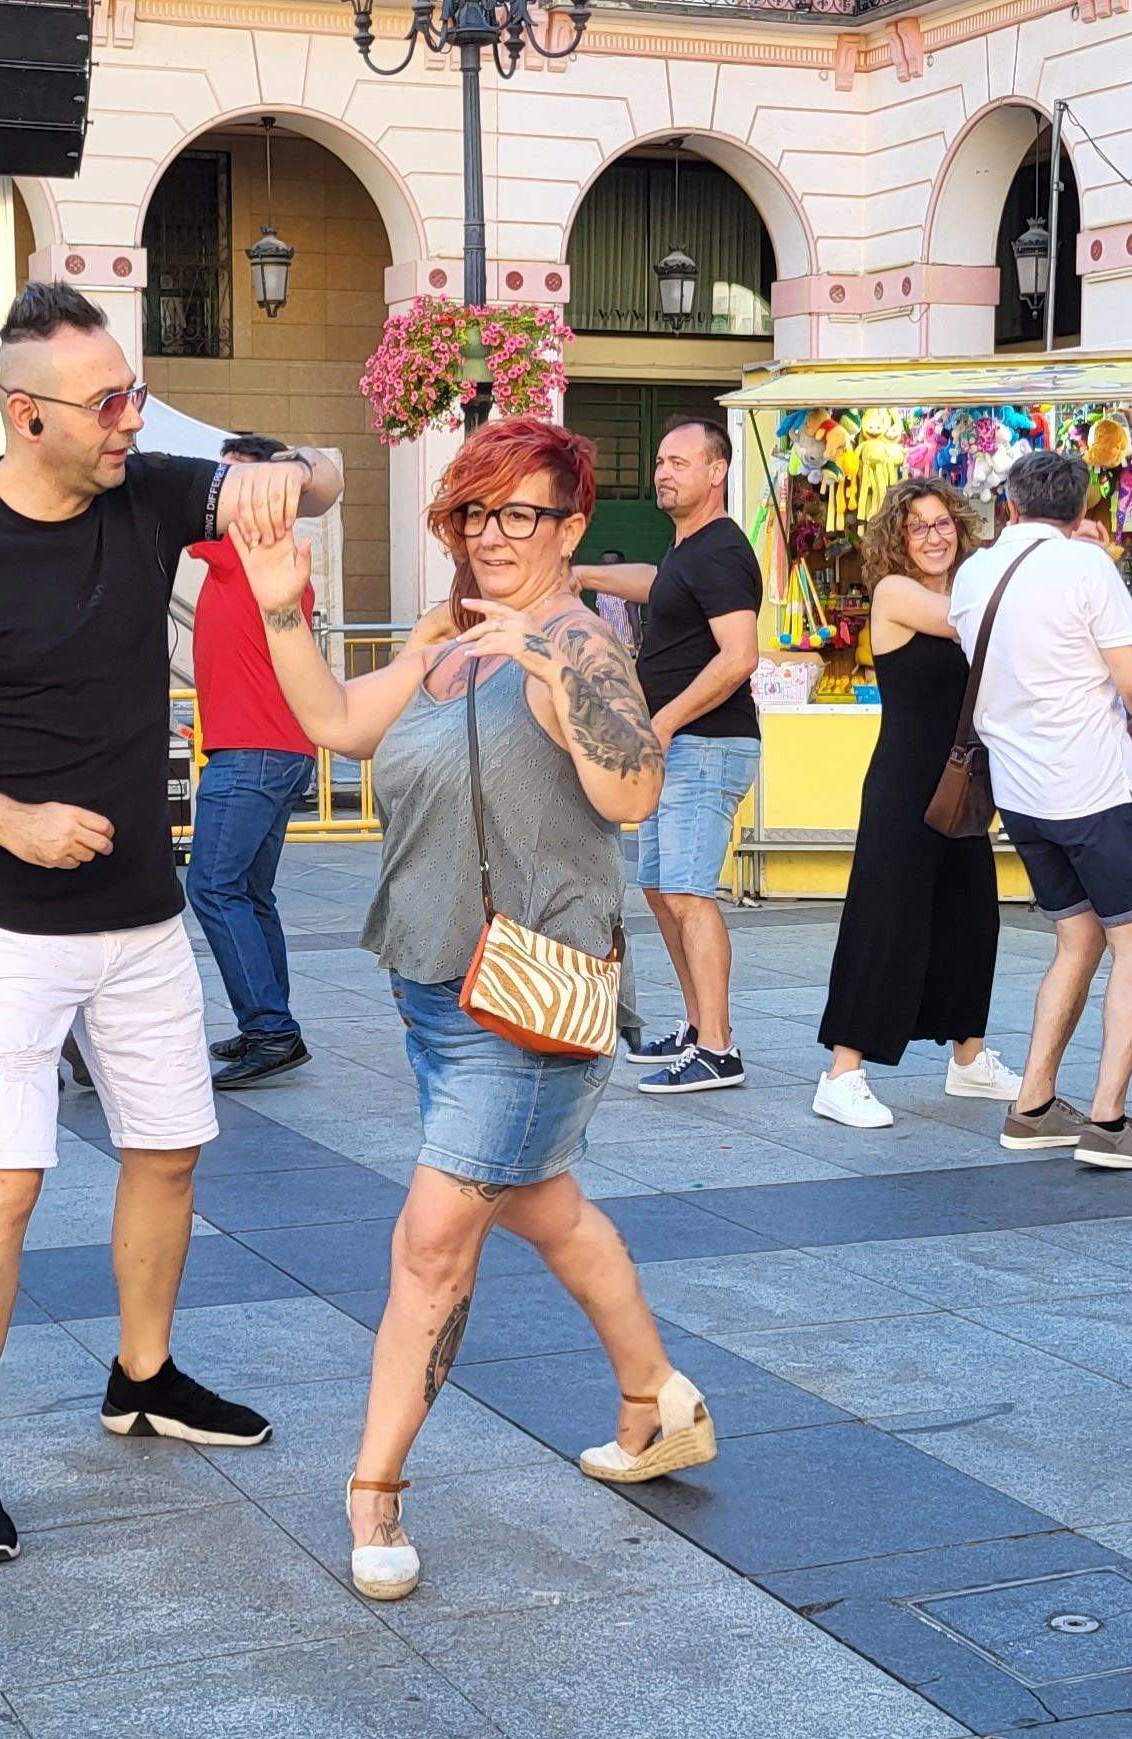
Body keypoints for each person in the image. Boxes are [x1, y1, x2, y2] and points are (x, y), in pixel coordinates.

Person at [0, 282, 338, 1565]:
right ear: (27, 414)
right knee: (3, 1188)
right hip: (6, 920)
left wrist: (292, 479)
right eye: (107, 402)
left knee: (169, 1155)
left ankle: (144, 1377)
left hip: (142, 917)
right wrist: (5, 821)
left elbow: (322, 478)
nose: (130, 419)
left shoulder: (148, 491)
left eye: (134, 394)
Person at [237, 414, 711, 1600]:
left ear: (570, 525)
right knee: (543, 1205)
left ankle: (375, 1488)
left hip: (527, 999)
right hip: (437, 986)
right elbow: (340, 725)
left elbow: (634, 789)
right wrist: (282, 603)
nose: (494, 536)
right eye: (474, 512)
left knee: (432, 1245)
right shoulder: (447, 633)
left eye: (522, 514)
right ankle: (658, 1399)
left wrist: (553, 666)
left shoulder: (583, 646)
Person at [954, 450, 1132, 1172]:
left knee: (1075, 941)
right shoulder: (1087, 569)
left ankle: (1034, 1105)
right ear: (1082, 513)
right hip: (1094, 788)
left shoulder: (975, 573)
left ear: (1010, 506)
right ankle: (1109, 1121)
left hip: (1020, 794)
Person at [811, 474, 1016, 1128]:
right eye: (919, 527)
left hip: (960, 782)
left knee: (972, 917)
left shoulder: (969, 588)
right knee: (886, 921)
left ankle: (968, 1059)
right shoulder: (898, 593)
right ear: (899, 539)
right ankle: (842, 1073)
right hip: (904, 782)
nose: (934, 536)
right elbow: (966, 622)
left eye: (943, 524)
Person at [573, 419, 761, 1095]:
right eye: (660, 461)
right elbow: (659, 583)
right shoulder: (689, 549)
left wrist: (666, 719)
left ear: (718, 472)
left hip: (704, 746)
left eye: (679, 462)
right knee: (660, 890)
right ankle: (697, 1026)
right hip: (678, 748)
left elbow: (741, 656)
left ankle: (718, 1048)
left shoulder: (722, 552)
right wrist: (583, 572)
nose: (663, 472)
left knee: (688, 894)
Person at [185, 432, 320, 1091]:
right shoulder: (263, 556)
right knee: (248, 893)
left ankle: (272, 1029)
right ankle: (271, 1022)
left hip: (253, 750)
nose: (224, 494)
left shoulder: (249, 550)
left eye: (238, 483)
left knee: (212, 886)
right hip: (277, 746)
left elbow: (172, 507)